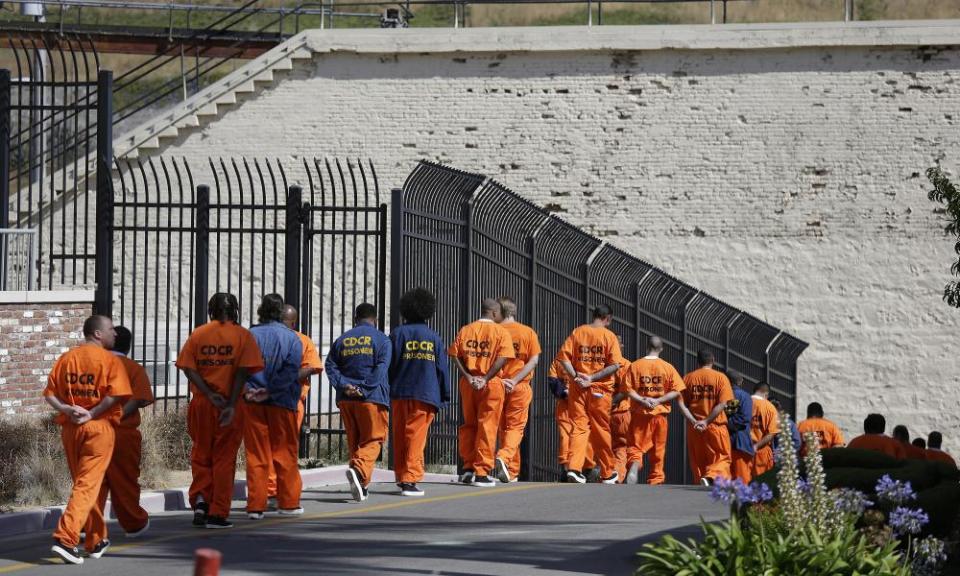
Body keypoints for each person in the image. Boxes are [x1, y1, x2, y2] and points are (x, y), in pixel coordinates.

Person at [43, 315, 132, 564]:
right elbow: (116, 395)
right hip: (98, 428)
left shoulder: (67, 358)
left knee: (84, 485)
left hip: (71, 428)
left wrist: (67, 409)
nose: (115, 334)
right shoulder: (109, 360)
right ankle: (66, 538)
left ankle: (95, 539)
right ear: (97, 334)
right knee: (87, 486)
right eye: (111, 329)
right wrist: (92, 412)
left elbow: (49, 394)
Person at [177, 293, 264, 529]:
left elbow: (187, 368)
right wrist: (229, 403)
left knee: (201, 453)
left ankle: (201, 500)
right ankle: (218, 513)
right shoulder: (242, 336)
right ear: (235, 310)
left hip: (202, 403)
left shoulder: (199, 334)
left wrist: (207, 393)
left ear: (210, 310)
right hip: (230, 404)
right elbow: (243, 372)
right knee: (224, 459)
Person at [244, 294, 304, 519]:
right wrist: (271, 390)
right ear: (282, 313)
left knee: (256, 456)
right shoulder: (292, 338)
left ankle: (256, 506)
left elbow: (241, 368)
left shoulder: (249, 335)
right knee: (285, 454)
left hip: (252, 403)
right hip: (282, 402)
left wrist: (250, 390)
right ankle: (288, 504)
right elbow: (290, 371)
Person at [325, 303, 391, 502]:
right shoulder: (382, 340)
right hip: (371, 398)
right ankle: (359, 470)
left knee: (356, 441)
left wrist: (345, 386)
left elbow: (330, 365)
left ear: (355, 318)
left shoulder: (343, 339)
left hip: (346, 400)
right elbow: (381, 369)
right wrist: (363, 388)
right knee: (373, 439)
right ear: (375, 320)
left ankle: (362, 486)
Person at [93, 325, 154, 539]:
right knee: (125, 479)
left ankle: (87, 523)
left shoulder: (94, 364)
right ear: (128, 346)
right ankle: (133, 523)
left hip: (91, 430)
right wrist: (116, 416)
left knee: (92, 480)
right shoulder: (132, 368)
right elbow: (140, 398)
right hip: (122, 432)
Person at [389, 288, 450, 497]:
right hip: (425, 392)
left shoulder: (397, 334)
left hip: (399, 392)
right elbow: (441, 368)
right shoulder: (433, 337)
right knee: (416, 437)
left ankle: (401, 475)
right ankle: (410, 479)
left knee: (400, 436)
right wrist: (445, 394)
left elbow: (390, 364)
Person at [448, 298, 514, 487]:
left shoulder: (466, 329)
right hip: (490, 383)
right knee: (487, 426)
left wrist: (469, 377)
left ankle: (468, 467)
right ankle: (482, 471)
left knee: (469, 425)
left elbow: (455, 355)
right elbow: (503, 358)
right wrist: (485, 379)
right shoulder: (501, 332)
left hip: (468, 383)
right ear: (494, 313)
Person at [558, 304, 625, 484]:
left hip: (577, 388)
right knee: (600, 429)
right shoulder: (609, 336)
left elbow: (563, 358)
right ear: (608, 319)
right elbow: (614, 365)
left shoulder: (578, 332)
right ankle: (608, 471)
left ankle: (573, 467)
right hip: (599, 390)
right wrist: (592, 378)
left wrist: (576, 377)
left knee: (579, 427)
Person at [266, 305, 323, 503]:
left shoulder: (265, 336)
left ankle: (271, 489)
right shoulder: (302, 339)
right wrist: (288, 378)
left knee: (267, 446)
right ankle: (279, 492)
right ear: (294, 321)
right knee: (285, 448)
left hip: (263, 399)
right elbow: (312, 367)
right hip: (290, 401)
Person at [619, 337, 683, 485]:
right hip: (660, 414)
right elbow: (676, 391)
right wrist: (658, 400)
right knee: (658, 449)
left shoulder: (635, 366)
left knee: (635, 447)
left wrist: (642, 400)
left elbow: (627, 390)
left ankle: (634, 466)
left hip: (639, 413)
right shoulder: (668, 367)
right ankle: (656, 478)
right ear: (661, 349)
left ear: (646, 347)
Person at [494, 297, 541, 484]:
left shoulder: (495, 332)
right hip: (519, 385)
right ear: (513, 312)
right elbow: (534, 361)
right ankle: (505, 458)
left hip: (497, 384)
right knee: (515, 427)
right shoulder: (527, 332)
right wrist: (514, 380)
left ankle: (511, 471)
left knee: (502, 428)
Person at [679, 350, 734, 486]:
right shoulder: (721, 378)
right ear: (713, 360)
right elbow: (723, 404)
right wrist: (706, 421)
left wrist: (694, 421)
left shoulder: (688, 378)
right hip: (715, 425)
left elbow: (683, 405)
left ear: (697, 361)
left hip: (695, 428)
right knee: (722, 458)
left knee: (699, 461)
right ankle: (710, 477)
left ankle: (703, 481)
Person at [548, 356, 596, 481]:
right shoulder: (586, 358)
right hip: (576, 404)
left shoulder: (559, 360)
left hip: (569, 404)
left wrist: (564, 392)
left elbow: (553, 380)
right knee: (583, 435)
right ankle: (583, 468)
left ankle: (571, 468)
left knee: (568, 436)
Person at [725, 372, 754, 483]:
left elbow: (729, 415)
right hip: (739, 442)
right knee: (742, 479)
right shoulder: (741, 395)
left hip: (729, 442)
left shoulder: (727, 394)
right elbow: (742, 419)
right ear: (740, 382)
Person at [749, 383, 781, 477]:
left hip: (742, 449)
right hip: (761, 451)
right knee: (761, 483)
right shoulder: (770, 408)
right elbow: (771, 433)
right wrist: (756, 446)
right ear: (766, 394)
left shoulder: (744, 401)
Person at [610, 362, 632, 484]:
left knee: (606, 446)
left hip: (602, 412)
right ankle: (616, 474)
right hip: (621, 411)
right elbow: (626, 390)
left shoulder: (601, 363)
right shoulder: (626, 365)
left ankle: (607, 472)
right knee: (621, 446)